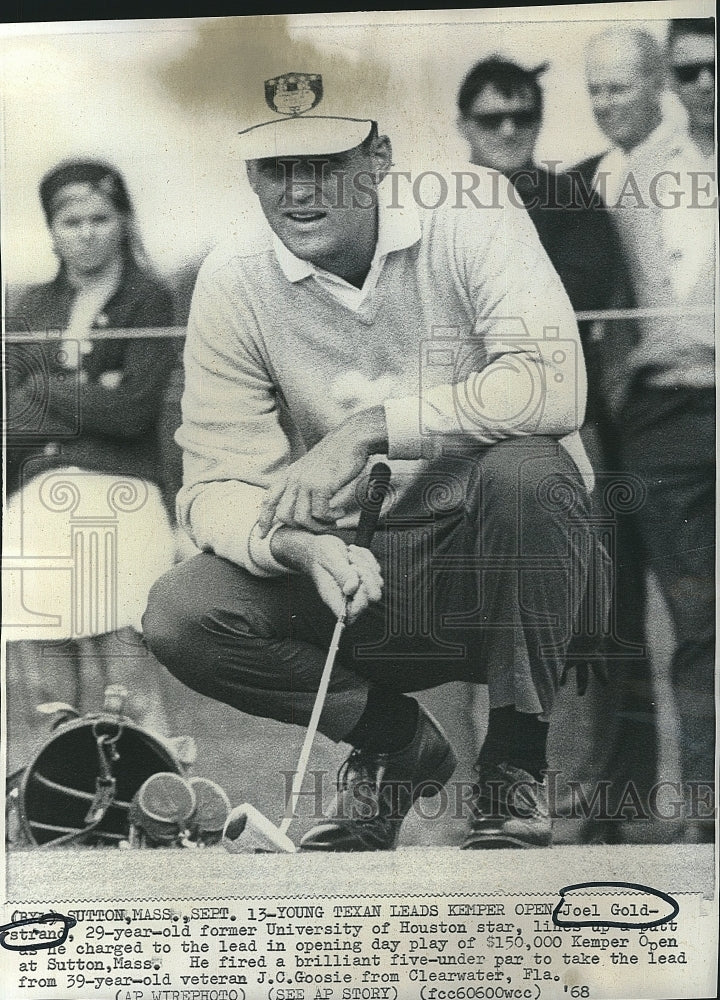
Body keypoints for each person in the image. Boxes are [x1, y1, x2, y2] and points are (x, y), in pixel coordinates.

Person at [144, 72, 596, 852]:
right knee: (181, 612)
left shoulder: (473, 208)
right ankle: (396, 747)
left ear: (380, 156)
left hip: (501, 562)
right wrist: (298, 545)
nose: (302, 191)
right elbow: (215, 483)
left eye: (326, 163)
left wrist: (366, 431)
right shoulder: (232, 275)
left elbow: (553, 386)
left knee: (531, 471)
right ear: (250, 177)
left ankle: (515, 762)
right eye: (277, 170)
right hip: (358, 574)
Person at [581, 21, 716, 841]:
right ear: (673, 77)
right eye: (691, 71)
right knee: (697, 620)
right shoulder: (634, 180)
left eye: (717, 69)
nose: (706, 85)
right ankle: (704, 813)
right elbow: (628, 321)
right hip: (668, 420)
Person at [4, 159, 178, 762]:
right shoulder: (30, 309)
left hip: (119, 491)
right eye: (70, 220)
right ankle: (56, 811)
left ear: (124, 221)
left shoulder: (149, 299)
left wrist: (46, 389)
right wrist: (84, 397)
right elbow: (12, 420)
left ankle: (155, 808)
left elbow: (133, 412)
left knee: (122, 667)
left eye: (100, 218)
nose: (86, 232)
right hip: (35, 498)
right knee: (43, 672)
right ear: (51, 231)